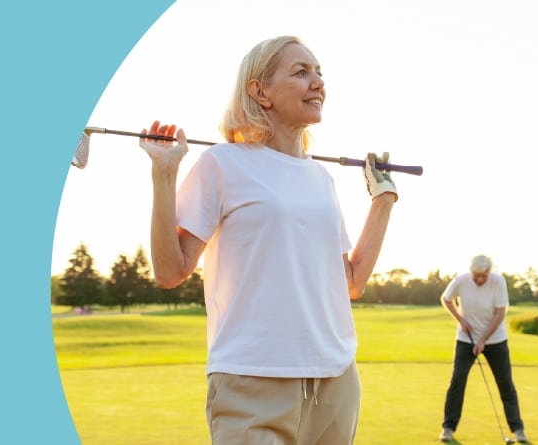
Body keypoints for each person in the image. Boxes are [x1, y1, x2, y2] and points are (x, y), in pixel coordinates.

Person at [138, 35, 398, 445]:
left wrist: (383, 201)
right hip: (251, 381)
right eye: (300, 72)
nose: (318, 83)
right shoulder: (221, 163)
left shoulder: (321, 178)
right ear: (260, 91)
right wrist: (164, 175)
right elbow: (171, 271)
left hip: (335, 383)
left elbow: (351, 282)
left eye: (319, 73)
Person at [439, 255, 528, 444]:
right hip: (466, 340)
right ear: (471, 271)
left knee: (505, 384)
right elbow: (446, 299)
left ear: (489, 272)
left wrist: (483, 340)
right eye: (476, 275)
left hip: (495, 340)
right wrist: (460, 319)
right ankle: (448, 428)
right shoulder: (461, 281)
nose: (480, 279)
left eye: (484, 275)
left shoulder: (498, 282)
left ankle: (518, 430)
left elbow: (501, 313)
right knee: (457, 381)